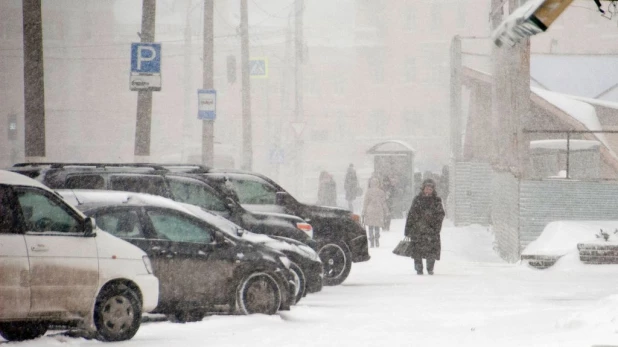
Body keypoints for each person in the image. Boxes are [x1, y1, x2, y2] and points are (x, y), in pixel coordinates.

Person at [404, 178, 445, 275]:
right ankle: (419, 269)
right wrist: (408, 229)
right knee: (417, 250)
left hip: (431, 230)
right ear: (423, 189)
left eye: (430, 189)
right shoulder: (417, 199)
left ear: (433, 190)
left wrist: (436, 226)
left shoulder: (436, 200)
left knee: (431, 250)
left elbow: (440, 214)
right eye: (426, 188)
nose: (428, 191)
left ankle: (430, 268)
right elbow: (411, 214)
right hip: (418, 229)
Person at [362, 177, 388, 248]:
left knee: (370, 226)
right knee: (377, 226)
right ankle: (377, 239)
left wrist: (363, 211)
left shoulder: (368, 192)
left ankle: (371, 240)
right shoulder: (381, 192)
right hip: (378, 210)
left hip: (370, 210)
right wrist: (386, 211)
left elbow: (365, 203)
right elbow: (384, 203)